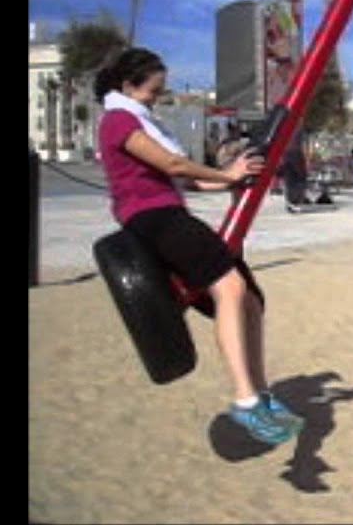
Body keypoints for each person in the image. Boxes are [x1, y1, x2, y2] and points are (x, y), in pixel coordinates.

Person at [94, 48, 303, 445]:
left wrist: (230, 180)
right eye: (152, 91)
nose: (156, 98)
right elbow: (173, 166)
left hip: (167, 211)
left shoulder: (139, 118)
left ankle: (260, 394)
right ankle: (244, 400)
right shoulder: (119, 119)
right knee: (230, 288)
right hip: (152, 218)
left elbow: (186, 180)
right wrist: (228, 173)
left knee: (251, 301)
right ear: (127, 86)